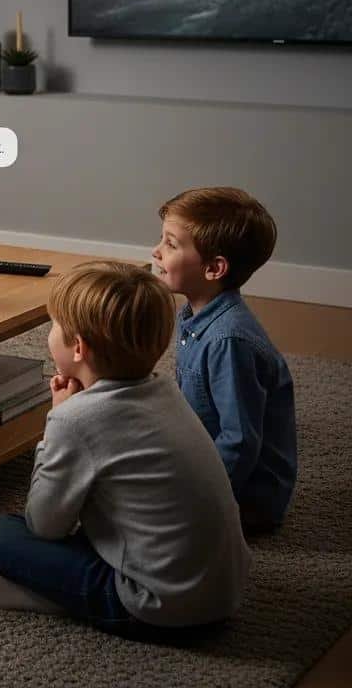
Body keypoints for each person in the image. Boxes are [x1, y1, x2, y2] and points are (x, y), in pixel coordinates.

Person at [0, 262, 250, 637]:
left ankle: (55, 599)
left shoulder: (74, 420)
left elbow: (45, 524)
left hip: (155, 606)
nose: (49, 332)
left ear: (78, 348)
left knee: (1, 536)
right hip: (223, 591)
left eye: (53, 324)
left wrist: (56, 423)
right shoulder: (164, 389)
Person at [153, 186, 297, 533]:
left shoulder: (229, 342)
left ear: (214, 268)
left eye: (170, 244)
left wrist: (198, 503)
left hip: (245, 497)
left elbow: (240, 440)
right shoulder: (195, 315)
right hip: (205, 459)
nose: (156, 251)